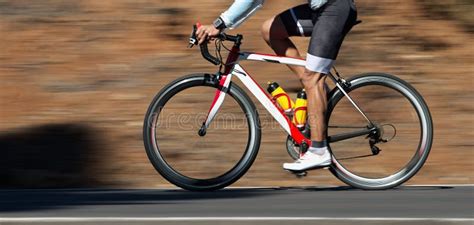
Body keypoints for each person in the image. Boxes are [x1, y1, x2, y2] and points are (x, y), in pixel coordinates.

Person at [196, 0, 357, 172]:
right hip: (319, 10)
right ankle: (315, 92)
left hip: (334, 9)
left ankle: (319, 151)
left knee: (313, 79)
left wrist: (219, 24)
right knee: (270, 30)